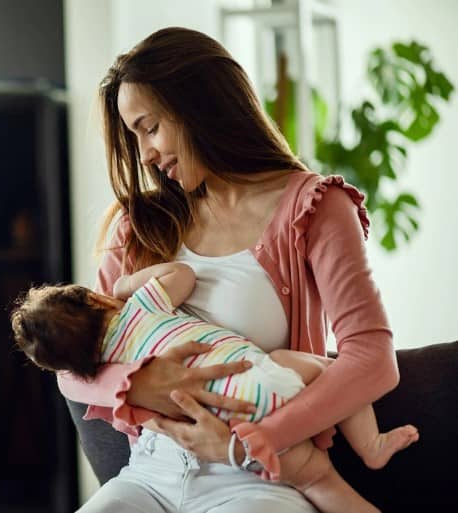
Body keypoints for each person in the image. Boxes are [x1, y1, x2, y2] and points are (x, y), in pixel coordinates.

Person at [57, 26, 403, 513]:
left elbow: (371, 358)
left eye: (150, 127)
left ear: (200, 105)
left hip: (258, 479)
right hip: (150, 475)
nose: (146, 155)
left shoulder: (314, 208)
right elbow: (71, 366)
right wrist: (137, 383)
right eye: (135, 138)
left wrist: (255, 440)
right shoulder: (140, 227)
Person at [11, 262, 417, 513]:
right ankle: (371, 446)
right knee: (325, 372)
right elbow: (181, 275)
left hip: (220, 430)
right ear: (96, 301)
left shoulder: (105, 365)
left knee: (317, 481)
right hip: (259, 392)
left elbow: (72, 378)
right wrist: (128, 283)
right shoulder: (140, 305)